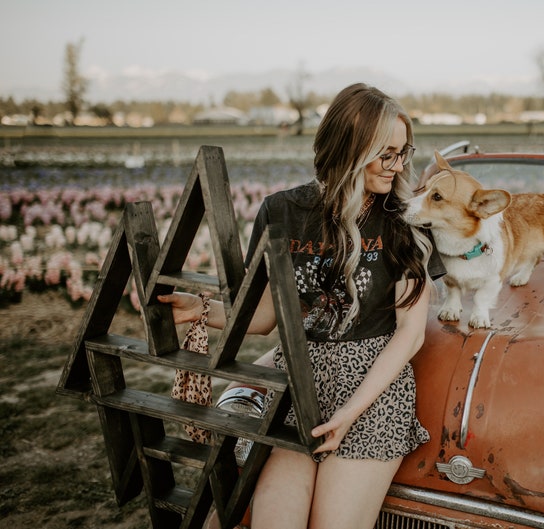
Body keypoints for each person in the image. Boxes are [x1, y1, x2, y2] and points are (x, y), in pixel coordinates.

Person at [158, 82, 445, 529]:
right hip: (297, 386)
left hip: (373, 393)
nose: (397, 166)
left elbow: (410, 334)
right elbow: (270, 315)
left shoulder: (404, 219)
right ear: (349, 147)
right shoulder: (282, 211)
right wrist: (201, 309)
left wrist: (349, 414)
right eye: (384, 153)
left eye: (403, 152)